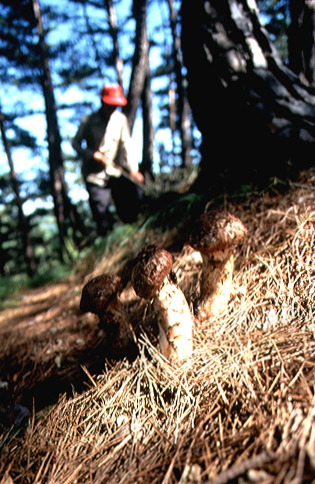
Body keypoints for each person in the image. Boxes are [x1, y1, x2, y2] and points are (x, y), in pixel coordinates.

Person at [72, 84, 144, 236]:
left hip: (115, 172)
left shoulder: (120, 120)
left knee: (129, 207)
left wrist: (134, 169)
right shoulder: (88, 121)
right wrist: (92, 154)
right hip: (95, 176)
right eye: (111, 104)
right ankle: (108, 245)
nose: (113, 108)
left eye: (116, 105)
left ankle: (131, 237)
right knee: (102, 214)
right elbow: (75, 144)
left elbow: (127, 145)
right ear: (103, 102)